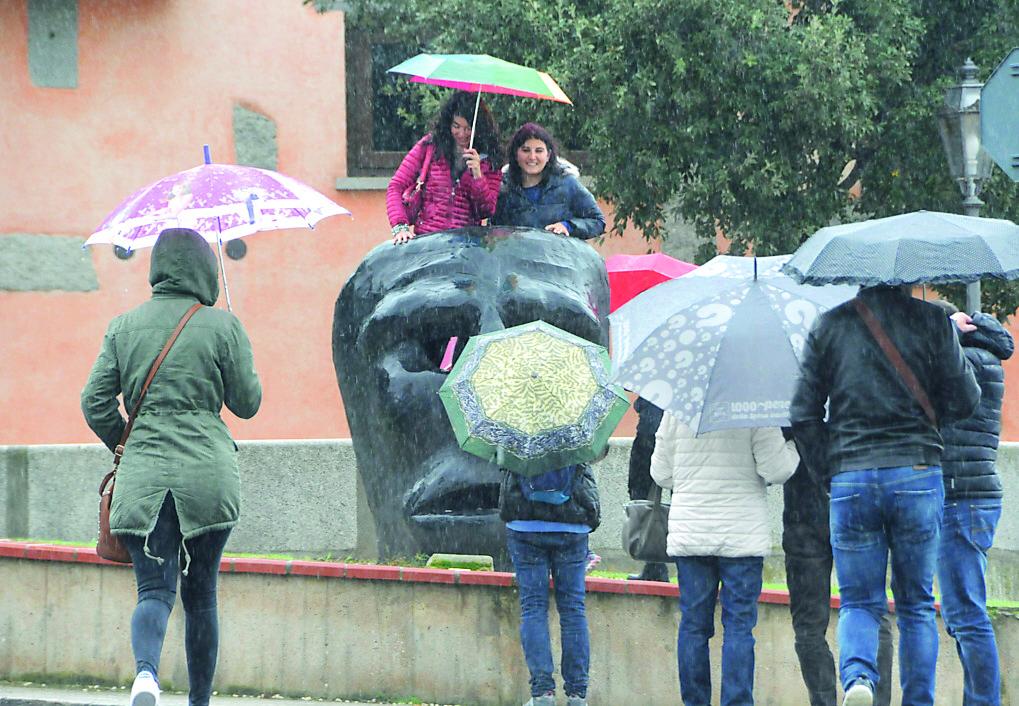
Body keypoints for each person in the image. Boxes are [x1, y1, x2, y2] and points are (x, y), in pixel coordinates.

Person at [81, 228, 262, 706]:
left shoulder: (123, 326)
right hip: (209, 478)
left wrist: (127, 441)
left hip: (144, 479)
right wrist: (238, 344)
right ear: (204, 269)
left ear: (158, 268)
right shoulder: (222, 325)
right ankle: (199, 701)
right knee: (201, 594)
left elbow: (94, 401)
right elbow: (247, 404)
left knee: (153, 591)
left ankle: (145, 678)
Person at [790, 284, 980, 706]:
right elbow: (967, 400)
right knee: (915, 604)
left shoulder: (830, 324)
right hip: (916, 472)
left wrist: (830, 470)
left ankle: (858, 679)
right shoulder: (933, 321)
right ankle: (917, 700)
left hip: (851, 477)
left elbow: (801, 412)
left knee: (859, 600)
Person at [651, 415, 798, 705]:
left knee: (693, 625)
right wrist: (792, 447)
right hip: (741, 537)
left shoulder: (677, 410)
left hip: (691, 535)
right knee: (739, 627)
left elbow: (661, 473)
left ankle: (695, 701)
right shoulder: (754, 408)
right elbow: (776, 469)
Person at [932, 299, 1013, 706]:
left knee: (966, 614)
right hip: (967, 496)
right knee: (963, 614)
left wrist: (942, 334)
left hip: (963, 497)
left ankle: (983, 701)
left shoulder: (973, 363)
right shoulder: (983, 357)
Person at [782, 455, 894, 706]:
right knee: (871, 611)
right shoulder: (858, 414)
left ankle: (824, 702)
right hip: (857, 493)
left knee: (809, 625)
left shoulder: (790, 414)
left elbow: (777, 462)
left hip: (803, 507)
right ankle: (874, 697)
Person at [500, 463, 600, 706]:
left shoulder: (518, 428)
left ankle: (543, 693)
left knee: (533, 608)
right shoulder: (575, 430)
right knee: (573, 610)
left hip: (525, 523)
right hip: (572, 523)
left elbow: (504, 465)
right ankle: (577, 695)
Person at [386, 91, 502, 244]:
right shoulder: (429, 146)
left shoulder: (490, 159)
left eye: (468, 129)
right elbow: (396, 186)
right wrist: (400, 226)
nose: (461, 134)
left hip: (466, 248)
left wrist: (478, 176)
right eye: (456, 126)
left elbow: (486, 210)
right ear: (448, 123)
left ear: (478, 128)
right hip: (427, 243)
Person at [492, 122, 605, 239]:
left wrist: (567, 226)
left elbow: (597, 221)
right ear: (516, 154)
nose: (532, 157)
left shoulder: (567, 184)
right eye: (526, 150)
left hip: (558, 256)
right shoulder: (503, 188)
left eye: (539, 151)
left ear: (548, 155)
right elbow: (494, 231)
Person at [627, 396, 669, 582]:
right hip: (663, 427)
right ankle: (654, 566)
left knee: (642, 499)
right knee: (642, 499)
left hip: (653, 430)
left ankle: (655, 565)